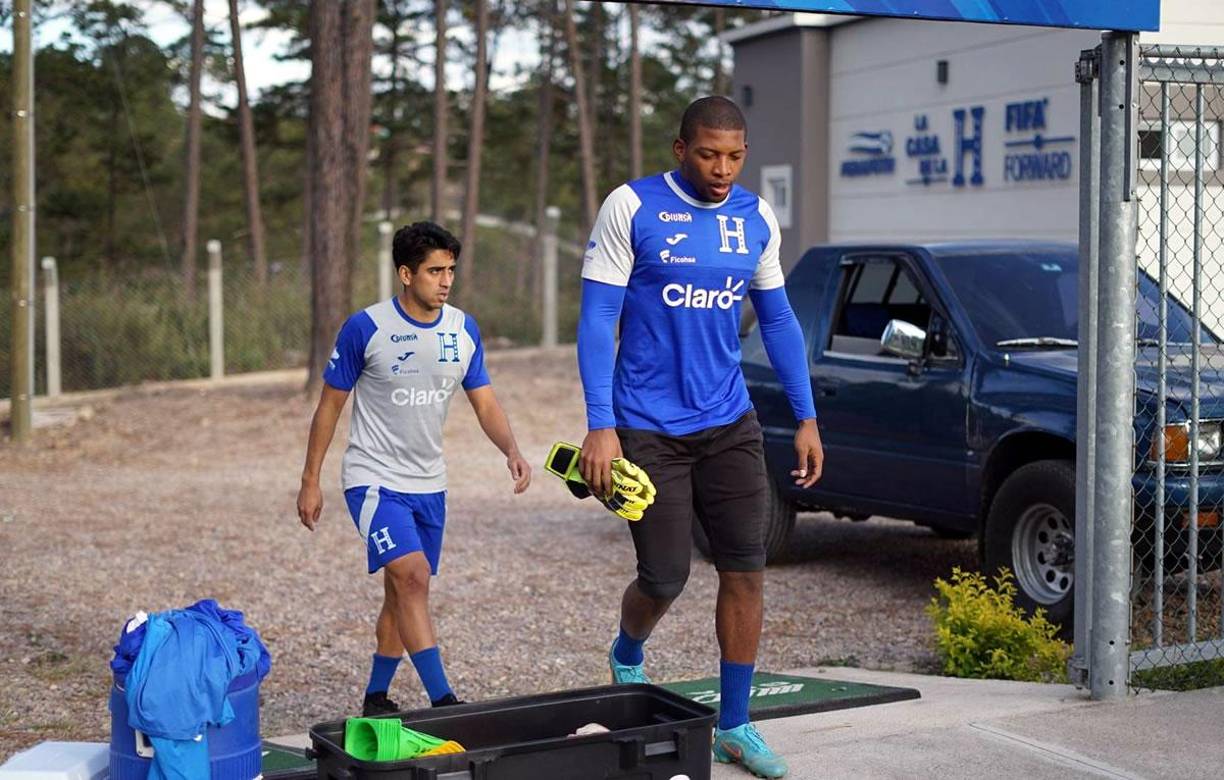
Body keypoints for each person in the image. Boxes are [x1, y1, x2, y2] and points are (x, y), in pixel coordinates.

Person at [576, 96, 822, 779]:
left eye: (735, 156)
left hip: (729, 422)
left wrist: (805, 417)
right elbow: (598, 319)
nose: (723, 169)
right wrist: (601, 426)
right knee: (665, 576)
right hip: (646, 426)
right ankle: (629, 650)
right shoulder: (631, 206)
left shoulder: (754, 218)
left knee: (746, 568)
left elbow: (777, 322)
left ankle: (736, 726)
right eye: (709, 154)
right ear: (680, 149)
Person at [297, 221, 531, 715]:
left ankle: (376, 696)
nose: (445, 281)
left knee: (401, 592)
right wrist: (310, 480)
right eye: (434, 271)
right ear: (406, 273)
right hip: (373, 479)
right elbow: (329, 407)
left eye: (450, 270)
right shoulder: (366, 327)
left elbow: (485, 403)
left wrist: (510, 449)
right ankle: (444, 700)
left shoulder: (463, 330)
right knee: (412, 576)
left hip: (431, 484)